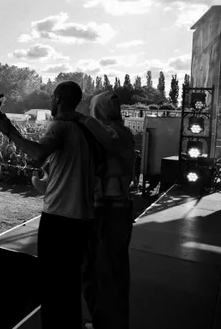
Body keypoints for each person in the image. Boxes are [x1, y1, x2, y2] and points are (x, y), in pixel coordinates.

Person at [0, 81, 98, 329]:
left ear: (58, 98)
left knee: (52, 287)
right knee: (70, 285)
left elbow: (38, 153)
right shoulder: (86, 130)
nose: (51, 101)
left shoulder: (60, 125)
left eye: (53, 97)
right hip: (84, 218)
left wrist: (11, 133)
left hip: (59, 218)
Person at [79, 91, 136, 329]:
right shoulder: (119, 133)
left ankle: (109, 324)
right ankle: (104, 321)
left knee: (105, 272)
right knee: (101, 272)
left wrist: (79, 119)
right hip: (111, 211)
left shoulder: (116, 133)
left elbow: (108, 140)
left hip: (109, 213)